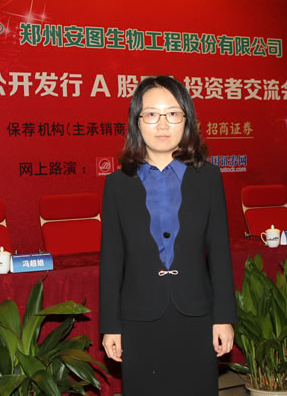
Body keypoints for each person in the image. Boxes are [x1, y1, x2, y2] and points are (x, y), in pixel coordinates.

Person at [99, 76, 238, 395]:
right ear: (137, 121)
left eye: (173, 113)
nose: (162, 124)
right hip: (138, 318)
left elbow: (219, 252)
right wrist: (110, 326)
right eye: (151, 114)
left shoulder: (209, 177)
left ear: (187, 120)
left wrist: (223, 318)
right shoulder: (117, 185)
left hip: (197, 315)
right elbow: (111, 260)